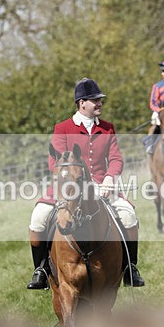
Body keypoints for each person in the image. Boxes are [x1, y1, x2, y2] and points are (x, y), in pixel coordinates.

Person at [27, 78, 144, 290]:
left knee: (128, 216)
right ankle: (41, 270)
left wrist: (109, 178)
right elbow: (55, 161)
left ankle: (130, 268)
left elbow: (116, 159)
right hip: (66, 186)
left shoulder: (108, 129)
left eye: (100, 100)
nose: (99, 103)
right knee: (38, 218)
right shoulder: (62, 128)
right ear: (82, 103)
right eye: (94, 100)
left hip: (102, 185)